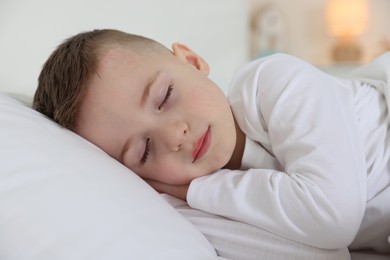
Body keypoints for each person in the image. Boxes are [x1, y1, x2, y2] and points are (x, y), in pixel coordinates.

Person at [33, 29, 390, 255]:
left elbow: (334, 219)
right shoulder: (193, 202)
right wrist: (180, 203)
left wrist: (198, 191)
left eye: (165, 96)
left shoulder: (272, 84)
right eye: (143, 151)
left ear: (191, 60)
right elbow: (327, 254)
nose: (175, 135)